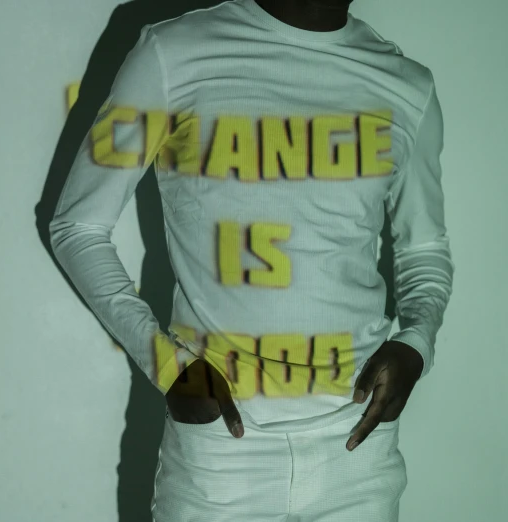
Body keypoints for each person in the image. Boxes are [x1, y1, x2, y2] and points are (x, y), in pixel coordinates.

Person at [49, 0, 454, 520]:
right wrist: (168, 365)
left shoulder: (407, 86)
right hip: (220, 452)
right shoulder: (171, 54)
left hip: (358, 450)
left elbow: (425, 247)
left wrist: (415, 342)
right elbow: (78, 226)